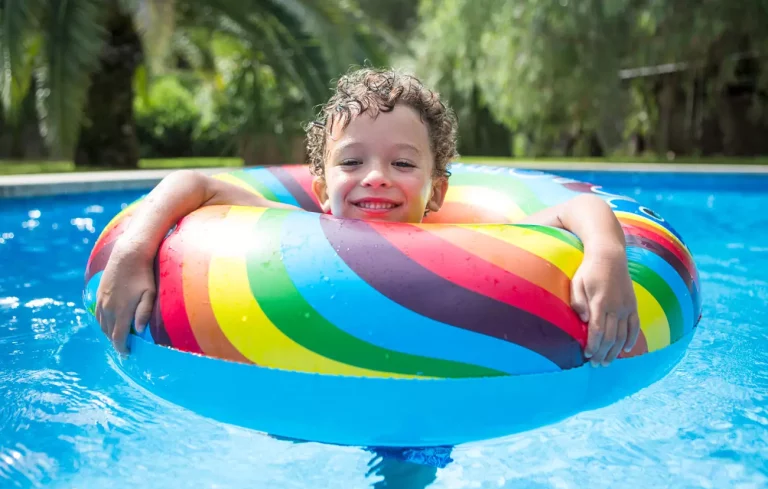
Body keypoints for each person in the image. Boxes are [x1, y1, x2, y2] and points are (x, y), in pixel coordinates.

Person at [95, 67, 639, 366]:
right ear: (321, 190)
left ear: (436, 191)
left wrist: (608, 255)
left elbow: (579, 207)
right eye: (352, 162)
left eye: (402, 163)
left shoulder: (468, 240)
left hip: (439, 375)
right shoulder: (299, 233)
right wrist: (133, 251)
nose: (376, 176)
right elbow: (197, 184)